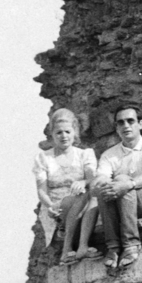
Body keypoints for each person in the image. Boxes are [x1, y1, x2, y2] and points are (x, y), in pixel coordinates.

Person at [90, 103, 142, 272]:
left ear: (140, 124)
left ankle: (131, 245)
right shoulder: (109, 155)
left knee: (122, 181)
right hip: (122, 205)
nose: (126, 126)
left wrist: (127, 184)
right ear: (116, 127)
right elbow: (100, 179)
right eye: (120, 122)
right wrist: (101, 184)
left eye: (130, 121)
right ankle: (114, 247)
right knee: (106, 186)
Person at [32, 109, 97, 262]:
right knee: (79, 197)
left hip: (82, 202)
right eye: (58, 132)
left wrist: (83, 182)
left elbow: (92, 179)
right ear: (52, 135)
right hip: (56, 206)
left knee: (86, 194)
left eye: (67, 131)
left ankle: (79, 247)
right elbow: (42, 191)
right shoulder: (43, 158)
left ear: (75, 132)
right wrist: (50, 206)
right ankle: (69, 249)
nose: (64, 136)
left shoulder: (85, 154)